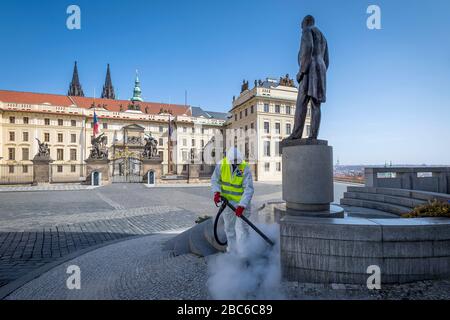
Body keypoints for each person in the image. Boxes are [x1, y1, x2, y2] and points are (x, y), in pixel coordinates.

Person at [288, 15, 329, 140]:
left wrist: (302, 71)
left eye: (301, 26)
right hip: (320, 69)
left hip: (309, 69)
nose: (301, 29)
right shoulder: (323, 37)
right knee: (316, 104)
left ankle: (296, 135)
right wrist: (320, 71)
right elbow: (327, 60)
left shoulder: (307, 30)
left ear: (306, 22)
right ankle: (313, 136)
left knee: (301, 101)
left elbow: (308, 48)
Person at [211, 147, 254, 254]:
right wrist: (216, 192)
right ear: (228, 160)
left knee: (242, 230)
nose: (236, 165)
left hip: (241, 204)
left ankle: (244, 255)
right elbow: (215, 180)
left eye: (237, 163)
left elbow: (249, 189)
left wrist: (242, 205)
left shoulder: (244, 167)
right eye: (234, 163)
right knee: (229, 229)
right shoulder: (221, 165)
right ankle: (232, 253)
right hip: (228, 203)